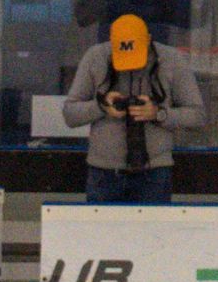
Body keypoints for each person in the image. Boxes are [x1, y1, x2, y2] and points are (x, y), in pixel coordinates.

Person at [62, 11, 203, 204]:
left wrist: (158, 114)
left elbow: (197, 116)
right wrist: (101, 107)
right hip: (104, 172)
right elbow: (70, 114)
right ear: (111, 43)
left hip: (154, 172)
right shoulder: (96, 57)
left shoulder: (172, 60)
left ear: (149, 40)